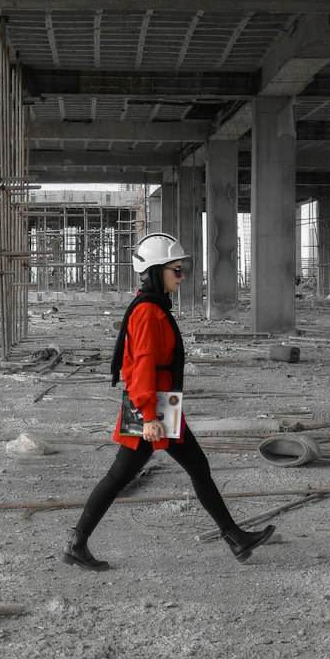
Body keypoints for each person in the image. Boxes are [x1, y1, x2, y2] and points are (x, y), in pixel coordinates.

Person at [63, 232, 276, 572]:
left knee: (197, 467)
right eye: (176, 270)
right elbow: (141, 367)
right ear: (155, 272)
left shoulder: (154, 307)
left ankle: (235, 537)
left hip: (162, 405)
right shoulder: (148, 313)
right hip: (150, 406)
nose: (181, 276)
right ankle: (77, 543)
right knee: (118, 476)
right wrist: (149, 416)